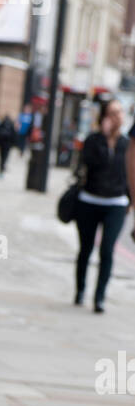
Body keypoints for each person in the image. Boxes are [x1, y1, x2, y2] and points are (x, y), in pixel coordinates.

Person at [75, 99, 129, 313]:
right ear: (104, 116)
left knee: (107, 250)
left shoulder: (126, 144)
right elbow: (89, 164)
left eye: (120, 112)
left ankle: (100, 297)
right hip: (90, 200)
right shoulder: (93, 141)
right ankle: (80, 290)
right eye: (113, 112)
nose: (117, 116)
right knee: (85, 250)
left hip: (116, 203)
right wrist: (104, 139)